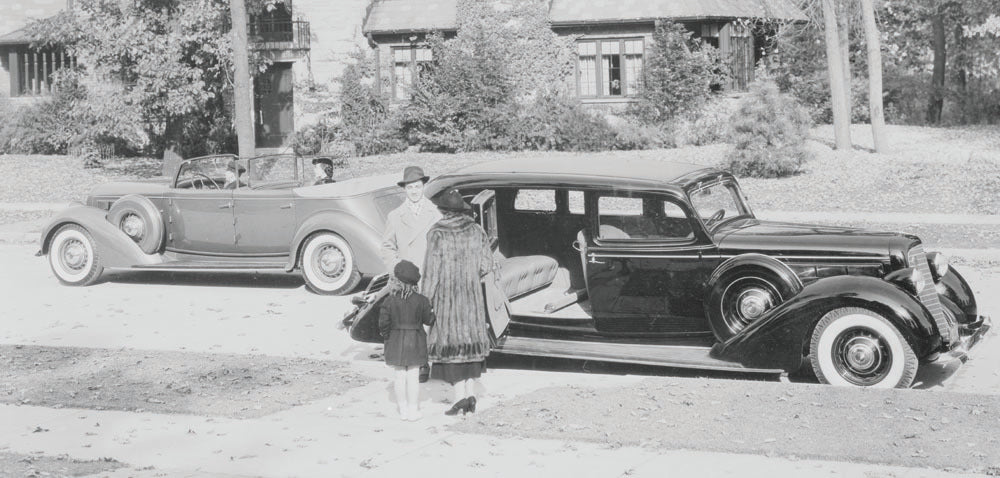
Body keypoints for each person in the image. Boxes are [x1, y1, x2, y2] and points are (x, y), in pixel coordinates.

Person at [422, 188, 495, 416]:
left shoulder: (437, 233)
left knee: (451, 349)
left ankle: (460, 398)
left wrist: (426, 301)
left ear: (443, 211)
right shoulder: (477, 230)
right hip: (471, 298)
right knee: (471, 348)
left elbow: (431, 272)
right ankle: (471, 396)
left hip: (448, 300)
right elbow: (486, 265)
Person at [380, 166, 442, 383]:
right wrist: (398, 269)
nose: (414, 191)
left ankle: (424, 363)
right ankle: (405, 362)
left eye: (417, 186)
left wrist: (437, 270)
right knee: (405, 322)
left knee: (425, 320)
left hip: (428, 275)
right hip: (404, 280)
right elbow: (387, 246)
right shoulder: (395, 215)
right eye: (410, 187)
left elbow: (441, 246)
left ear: (424, 186)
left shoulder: (435, 214)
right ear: (404, 189)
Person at [378, 260, 436, 421]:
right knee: (413, 377)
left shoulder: (389, 301)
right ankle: (413, 410)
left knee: (399, 377)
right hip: (415, 340)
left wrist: (387, 336)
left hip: (395, 340)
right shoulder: (422, 300)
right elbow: (428, 320)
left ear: (396, 281)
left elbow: (383, 323)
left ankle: (402, 410)